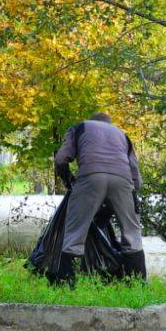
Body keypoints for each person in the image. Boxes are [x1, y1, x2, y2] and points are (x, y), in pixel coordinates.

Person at [52, 112, 145, 284]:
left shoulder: (80, 127)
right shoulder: (122, 135)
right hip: (123, 180)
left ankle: (66, 284)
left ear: (92, 120)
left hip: (90, 177)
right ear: (109, 123)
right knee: (132, 234)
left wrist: (69, 181)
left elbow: (60, 159)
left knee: (75, 233)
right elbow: (136, 179)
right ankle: (138, 284)